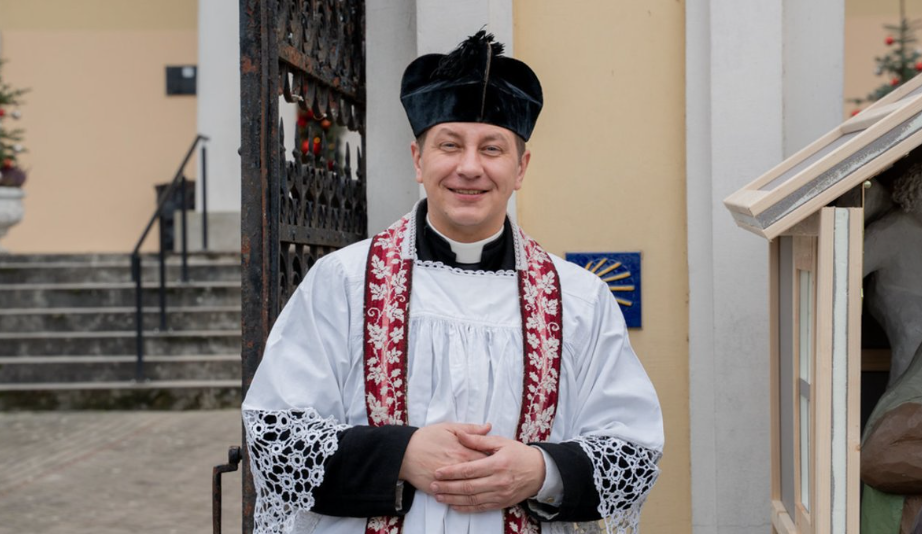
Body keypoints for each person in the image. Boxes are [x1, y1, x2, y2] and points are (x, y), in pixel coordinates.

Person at [242, 31, 664, 534]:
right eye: (449, 145)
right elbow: (276, 436)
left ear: (521, 168)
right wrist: (401, 454)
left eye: (492, 148)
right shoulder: (343, 283)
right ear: (418, 160)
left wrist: (539, 471)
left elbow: (634, 450)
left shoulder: (579, 299)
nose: (469, 168)